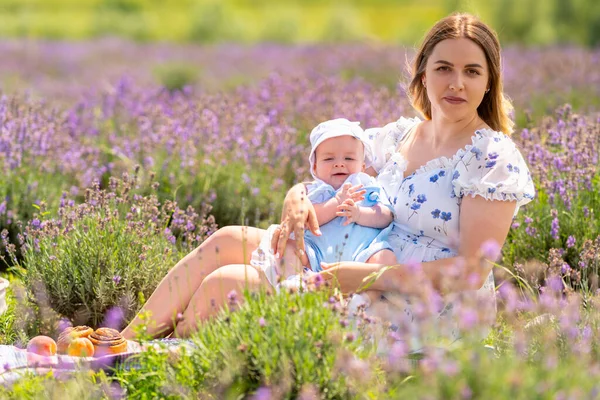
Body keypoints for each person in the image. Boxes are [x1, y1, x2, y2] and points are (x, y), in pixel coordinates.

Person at [121, 12, 535, 345]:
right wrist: (295, 198)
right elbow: (332, 168)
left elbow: (470, 272)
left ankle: (162, 364)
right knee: (226, 239)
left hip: (416, 302)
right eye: (444, 68)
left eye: (472, 71)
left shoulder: (492, 157)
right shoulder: (399, 135)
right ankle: (120, 344)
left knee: (231, 284)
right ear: (423, 75)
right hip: (350, 252)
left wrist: (359, 276)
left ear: (488, 82)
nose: (456, 83)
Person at [250, 118, 397, 306]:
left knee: (386, 258)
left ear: (362, 166)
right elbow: (308, 221)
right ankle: (295, 284)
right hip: (315, 255)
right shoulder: (316, 192)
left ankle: (363, 301)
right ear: (314, 168)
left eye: (349, 158)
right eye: (329, 159)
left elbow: (385, 216)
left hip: (362, 254)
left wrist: (360, 214)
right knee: (287, 248)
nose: (339, 164)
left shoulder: (368, 187)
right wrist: (335, 203)